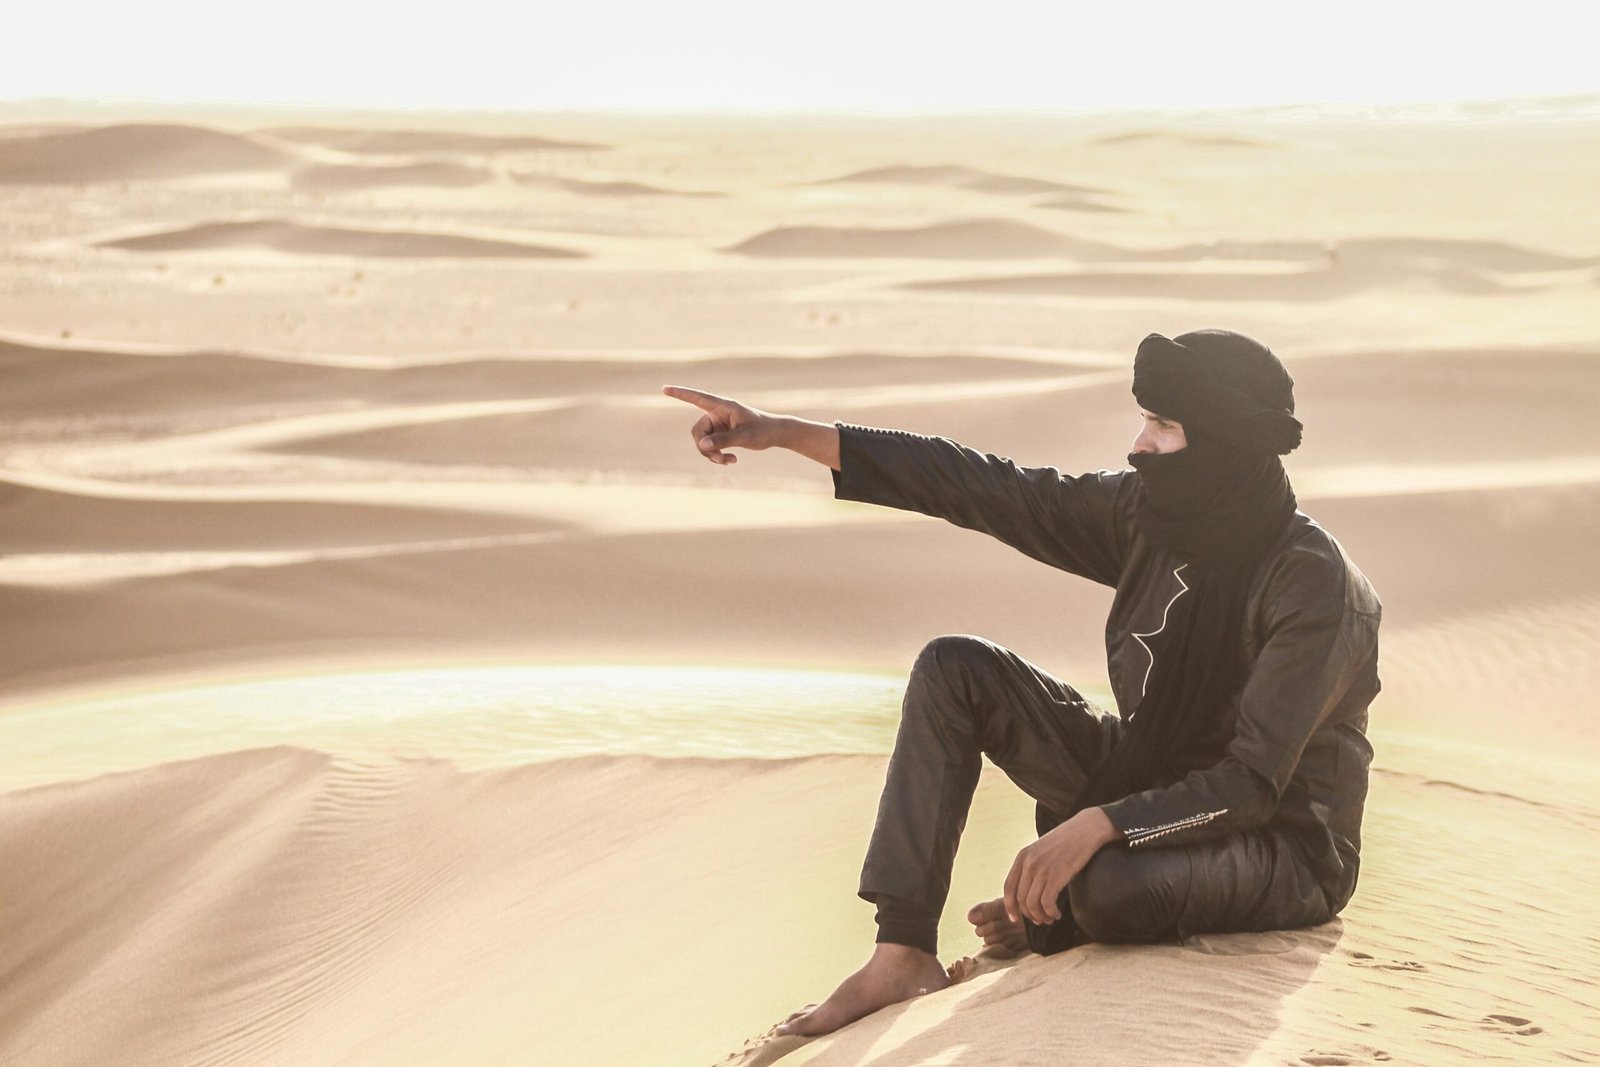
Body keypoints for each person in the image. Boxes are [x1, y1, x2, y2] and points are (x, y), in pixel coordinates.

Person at [661, 329, 1382, 1038]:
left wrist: (1097, 829)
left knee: (1107, 891)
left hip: (1284, 847)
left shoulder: (1313, 585)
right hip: (1152, 775)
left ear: (1222, 440)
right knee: (956, 669)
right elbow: (984, 486)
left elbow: (1251, 785)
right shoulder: (1151, 516)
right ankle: (903, 950)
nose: (1138, 444)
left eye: (1163, 424)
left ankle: (1061, 902)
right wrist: (784, 432)